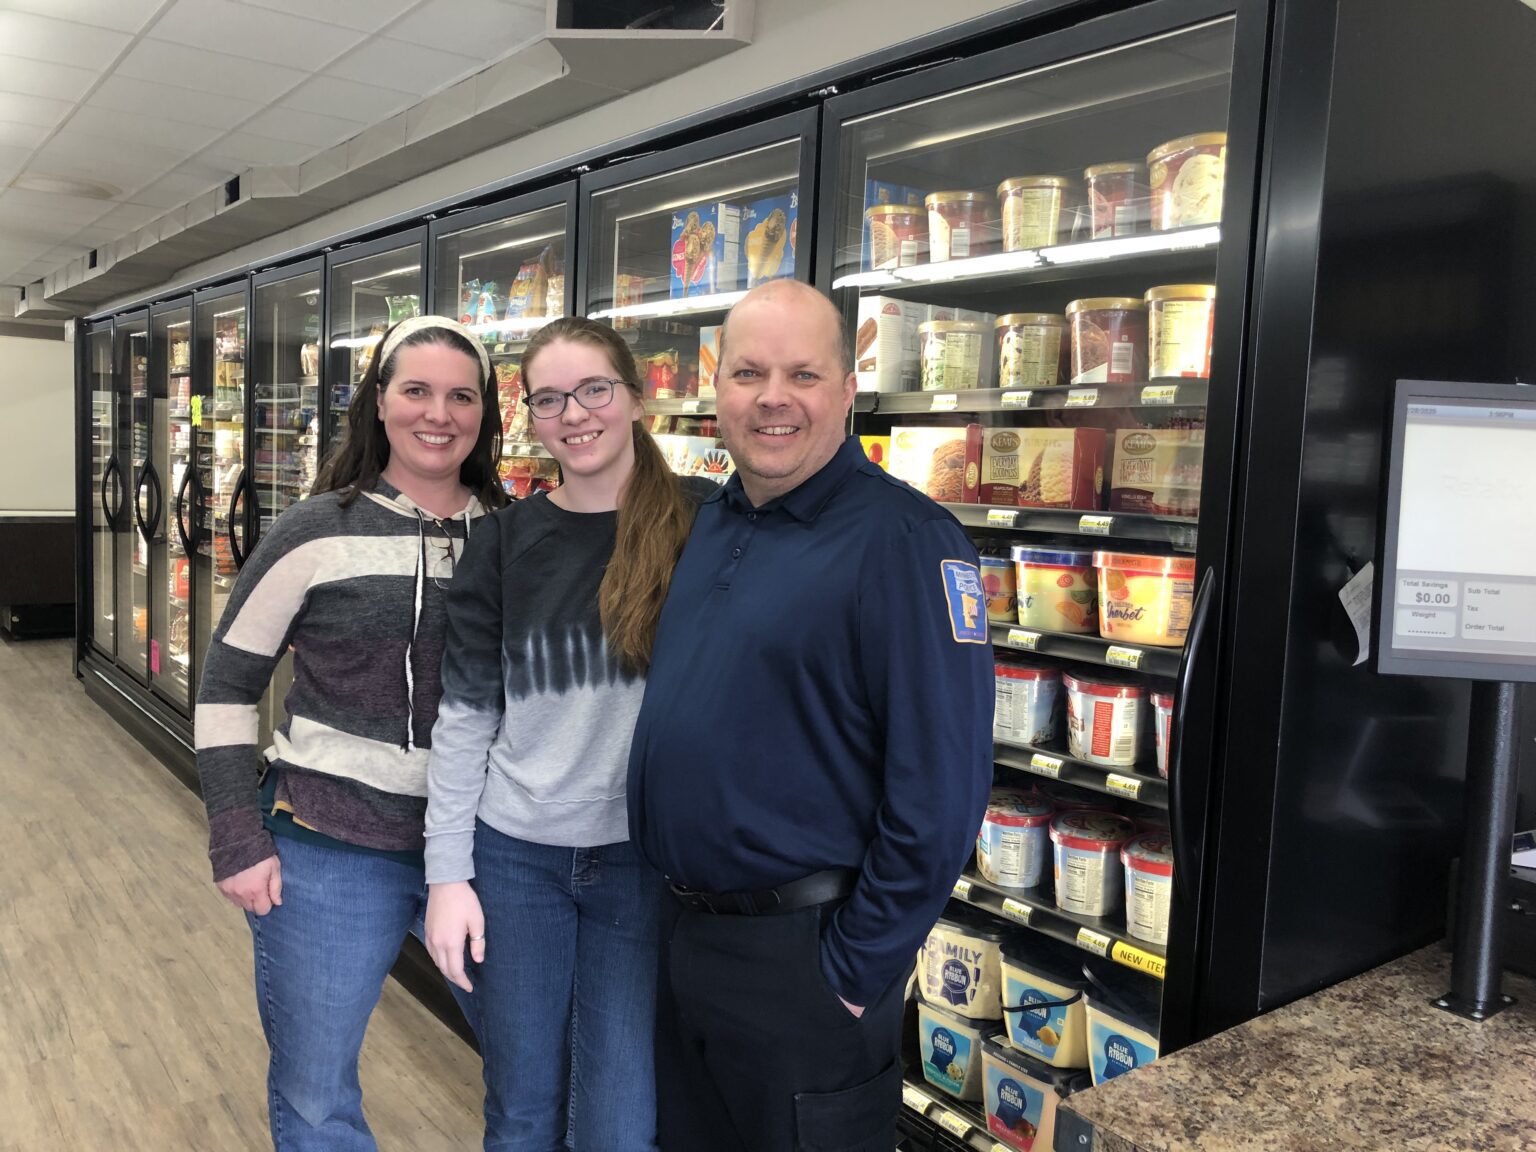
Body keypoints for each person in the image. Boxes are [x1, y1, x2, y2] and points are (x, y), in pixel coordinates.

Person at [628, 279, 994, 1151]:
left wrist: (855, 968)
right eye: (750, 372)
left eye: (803, 373)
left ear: (846, 392)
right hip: (682, 938)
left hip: (803, 959)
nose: (774, 398)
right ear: (717, 389)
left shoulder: (907, 543)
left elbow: (942, 790)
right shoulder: (710, 521)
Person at [195, 315, 508, 1152]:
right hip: (330, 850)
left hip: (488, 856)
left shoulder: (514, 533)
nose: (437, 413)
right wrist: (236, 833)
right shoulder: (314, 529)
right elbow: (227, 685)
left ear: (486, 413)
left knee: (531, 1071)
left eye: (460, 395)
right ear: (378, 402)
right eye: (415, 390)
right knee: (315, 1093)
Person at [421, 316, 715, 1151]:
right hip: (515, 858)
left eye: (594, 390)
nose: (574, 414)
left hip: (640, 861)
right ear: (530, 417)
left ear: (635, 396)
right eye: (549, 399)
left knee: (621, 1123)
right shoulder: (505, 542)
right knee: (520, 1108)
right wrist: (448, 876)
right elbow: (467, 717)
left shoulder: (703, 526)